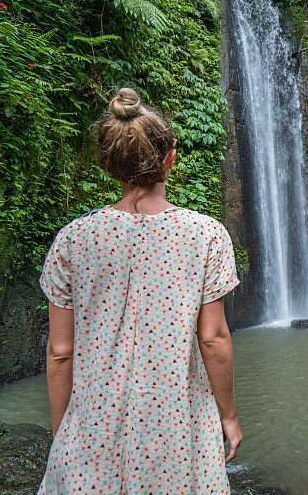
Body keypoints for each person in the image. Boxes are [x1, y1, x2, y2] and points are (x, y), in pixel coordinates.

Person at [36, 87, 242, 494]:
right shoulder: (206, 235)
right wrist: (229, 416)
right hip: (177, 425)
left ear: (109, 165)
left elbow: (60, 351)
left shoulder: (73, 239)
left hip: (93, 423)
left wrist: (65, 433)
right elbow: (213, 338)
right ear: (171, 156)